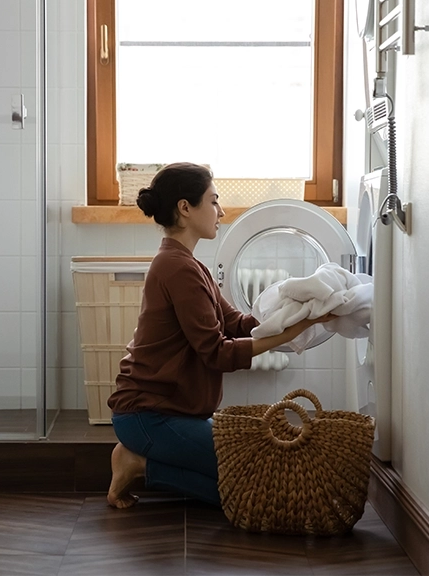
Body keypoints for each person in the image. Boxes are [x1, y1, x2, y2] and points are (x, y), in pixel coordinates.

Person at [105, 162, 334, 509]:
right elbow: (217, 353)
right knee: (249, 493)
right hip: (148, 416)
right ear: (185, 208)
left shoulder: (190, 264)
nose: (221, 211)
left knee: (253, 477)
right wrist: (296, 330)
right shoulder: (176, 268)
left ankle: (142, 461)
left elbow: (237, 323)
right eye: (213, 201)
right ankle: (138, 463)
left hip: (174, 413)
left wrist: (296, 308)